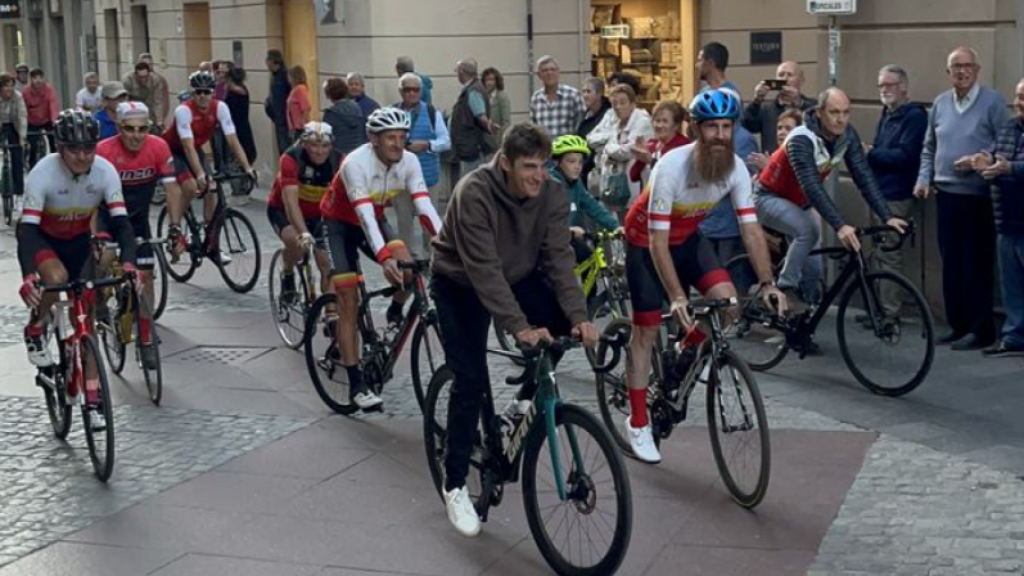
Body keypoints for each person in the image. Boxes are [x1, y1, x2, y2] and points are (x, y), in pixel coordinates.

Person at [430, 123, 598, 537]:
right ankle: (454, 486)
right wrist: (519, 327)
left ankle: (523, 401)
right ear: (504, 162)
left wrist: (579, 316)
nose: (538, 176)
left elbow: (559, 259)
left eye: (543, 166)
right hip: (460, 282)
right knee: (469, 381)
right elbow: (484, 270)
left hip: (518, 273)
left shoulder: (552, 194)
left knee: (559, 326)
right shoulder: (474, 192)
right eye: (528, 167)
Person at [621, 90, 786, 464]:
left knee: (728, 305)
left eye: (727, 127)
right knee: (646, 329)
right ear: (696, 129)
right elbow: (657, 243)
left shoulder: (736, 169)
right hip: (646, 242)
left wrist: (767, 282)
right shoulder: (671, 167)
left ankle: (686, 345)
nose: (720, 135)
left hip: (689, 238)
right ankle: (638, 420)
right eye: (712, 126)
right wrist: (678, 296)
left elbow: (751, 230)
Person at [319, 107, 442, 411]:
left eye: (402, 137)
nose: (398, 144)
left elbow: (424, 206)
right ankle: (356, 384)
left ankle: (395, 310)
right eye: (390, 138)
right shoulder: (354, 164)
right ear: (373, 139)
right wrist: (383, 257)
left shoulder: (409, 162)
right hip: (338, 225)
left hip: (373, 217)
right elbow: (362, 214)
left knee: (410, 269)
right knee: (348, 298)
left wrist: (446, 243)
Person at [757, 88, 908, 312]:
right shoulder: (801, 139)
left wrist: (887, 216)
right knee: (808, 231)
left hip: (800, 201)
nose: (841, 119)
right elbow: (811, 186)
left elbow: (863, 176)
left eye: (846, 112)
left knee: (814, 267)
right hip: (769, 196)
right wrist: (840, 226)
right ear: (819, 112)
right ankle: (784, 288)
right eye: (834, 112)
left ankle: (802, 322)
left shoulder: (847, 134)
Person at [17, 110, 139, 374]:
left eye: (88, 148)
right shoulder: (43, 173)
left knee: (85, 315)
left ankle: (93, 393)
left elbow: (121, 225)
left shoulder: (105, 171)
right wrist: (29, 276)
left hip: (78, 241)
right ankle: (35, 327)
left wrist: (130, 264)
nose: (82, 156)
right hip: (44, 239)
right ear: (60, 148)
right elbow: (26, 230)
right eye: (73, 149)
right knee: (57, 277)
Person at [913, 46, 1009, 351]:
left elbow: (1004, 142)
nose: (962, 71)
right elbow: (929, 147)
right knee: (951, 262)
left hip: (978, 196)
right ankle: (958, 324)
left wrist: (981, 158)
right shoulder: (940, 104)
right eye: (956, 66)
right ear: (948, 72)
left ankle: (981, 329)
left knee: (976, 263)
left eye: (967, 66)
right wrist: (923, 178)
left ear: (977, 70)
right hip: (946, 194)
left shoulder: (992, 102)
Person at [95, 102, 180, 369]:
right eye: (130, 129)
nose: (136, 135)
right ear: (119, 128)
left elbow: (172, 190)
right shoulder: (103, 151)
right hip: (107, 217)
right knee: (104, 258)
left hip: (138, 221)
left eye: (142, 129)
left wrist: (175, 228)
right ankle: (98, 299)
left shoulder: (158, 147)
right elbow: (89, 197)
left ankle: (145, 337)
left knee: (146, 277)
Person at [161, 70, 256, 263]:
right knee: (190, 187)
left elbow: (232, 139)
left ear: (214, 92)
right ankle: (175, 228)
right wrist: (199, 174)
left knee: (212, 188)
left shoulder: (220, 107)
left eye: (207, 91)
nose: (202, 96)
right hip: (173, 150)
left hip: (195, 149)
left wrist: (247, 168)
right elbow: (186, 146)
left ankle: (211, 241)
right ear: (193, 93)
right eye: (198, 92)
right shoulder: (184, 111)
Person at [866, 65, 928, 318]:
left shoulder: (914, 116)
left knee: (889, 253)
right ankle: (879, 308)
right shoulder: (887, 112)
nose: (884, 90)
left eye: (889, 85)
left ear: (903, 87)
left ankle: (890, 312)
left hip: (897, 194)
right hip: (879, 192)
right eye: (881, 85)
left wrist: (871, 153)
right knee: (877, 253)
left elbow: (907, 156)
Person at [972, 78, 1024, 357]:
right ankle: (1014, 336)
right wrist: (984, 161)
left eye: (1023, 98)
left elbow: (1010, 164)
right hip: (1006, 219)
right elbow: (997, 154)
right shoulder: (1009, 126)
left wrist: (1009, 168)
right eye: (1017, 97)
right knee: (1011, 286)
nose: (1018, 103)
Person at [267, 121, 340, 304]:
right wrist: (304, 233)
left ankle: (330, 313)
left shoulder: (338, 161)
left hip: (317, 214)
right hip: (282, 209)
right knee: (297, 245)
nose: (319, 151)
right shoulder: (291, 159)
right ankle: (288, 272)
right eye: (314, 145)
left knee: (327, 264)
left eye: (324, 146)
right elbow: (291, 204)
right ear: (304, 143)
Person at [395, 72, 450, 257]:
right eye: (407, 89)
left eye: (415, 90)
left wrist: (427, 145)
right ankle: (409, 263)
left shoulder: (432, 112)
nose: (411, 93)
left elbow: (446, 141)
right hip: (400, 179)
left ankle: (432, 258)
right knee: (404, 224)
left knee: (429, 222)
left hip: (428, 178)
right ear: (400, 91)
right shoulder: (393, 112)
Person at [548, 134, 619, 269]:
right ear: (557, 162)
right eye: (571, 161)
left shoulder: (576, 184)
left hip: (570, 239)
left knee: (589, 263)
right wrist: (567, 230)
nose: (577, 166)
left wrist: (616, 227)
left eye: (580, 162)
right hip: (550, 242)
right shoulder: (550, 185)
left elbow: (593, 207)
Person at [587, 84, 653, 217]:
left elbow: (627, 152)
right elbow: (590, 138)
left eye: (622, 102)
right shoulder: (615, 122)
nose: (618, 107)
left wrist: (606, 146)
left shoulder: (642, 122)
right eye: (614, 103)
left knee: (632, 222)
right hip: (612, 184)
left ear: (633, 103)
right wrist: (614, 145)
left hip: (633, 184)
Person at [742, 61, 815, 154]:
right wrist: (757, 101)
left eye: (790, 75)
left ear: (801, 80)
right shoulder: (767, 109)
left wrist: (799, 103)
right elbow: (748, 125)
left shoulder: (811, 105)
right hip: (773, 163)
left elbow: (817, 125)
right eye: (781, 75)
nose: (785, 79)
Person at [630, 100, 690, 185]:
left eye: (665, 121)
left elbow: (673, 177)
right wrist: (640, 158)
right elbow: (634, 176)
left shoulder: (683, 145)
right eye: (657, 120)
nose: (659, 125)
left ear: (676, 125)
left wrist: (650, 160)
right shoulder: (651, 144)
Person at [450, 58, 494, 176]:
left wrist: (490, 127)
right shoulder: (474, 88)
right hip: (471, 148)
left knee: (472, 184)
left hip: (473, 150)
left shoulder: (473, 91)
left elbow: (481, 117)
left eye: (457, 72)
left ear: (462, 72)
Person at [530, 55, 585, 139]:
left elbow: (581, 126)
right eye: (545, 70)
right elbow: (534, 129)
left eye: (553, 69)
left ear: (558, 72)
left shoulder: (573, 95)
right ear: (539, 75)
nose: (549, 73)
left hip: (568, 149)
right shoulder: (536, 98)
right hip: (544, 150)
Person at [577, 77, 612, 187]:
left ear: (599, 93)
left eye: (589, 91)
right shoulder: (584, 114)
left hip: (596, 170)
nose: (585, 95)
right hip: (582, 170)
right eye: (583, 91)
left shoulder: (607, 115)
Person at [0, 75, 27, 216]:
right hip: (1, 127)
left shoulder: (18, 97)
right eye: (6, 86)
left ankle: (19, 195)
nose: (9, 89)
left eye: (11, 85)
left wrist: (22, 137)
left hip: (14, 127)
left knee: (18, 159)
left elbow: (22, 117)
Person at [748, 108, 803, 172]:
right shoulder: (774, 156)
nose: (781, 132)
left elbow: (789, 180)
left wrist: (769, 167)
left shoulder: (801, 158)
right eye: (779, 128)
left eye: (788, 128)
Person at [23, 68, 59, 167]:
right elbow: (23, 109)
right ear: (31, 79)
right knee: (32, 146)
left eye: (40, 77)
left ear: (44, 79)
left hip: (47, 120)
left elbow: (53, 105)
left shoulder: (49, 90)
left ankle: (55, 164)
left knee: (54, 143)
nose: (38, 80)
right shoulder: (26, 92)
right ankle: (32, 167)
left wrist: (54, 121)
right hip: (32, 121)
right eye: (35, 78)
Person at [322, 77, 366, 154]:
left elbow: (324, 138)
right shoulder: (357, 107)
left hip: (339, 155)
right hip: (357, 153)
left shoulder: (331, 113)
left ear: (329, 94)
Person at [224, 66, 257, 168]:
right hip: (243, 125)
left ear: (230, 79)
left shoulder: (232, 93)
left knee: (237, 151)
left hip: (235, 127)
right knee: (248, 151)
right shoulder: (243, 90)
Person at [122, 61, 167, 131]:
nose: (143, 80)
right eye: (141, 77)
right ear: (135, 74)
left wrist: (159, 121)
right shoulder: (127, 80)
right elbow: (124, 101)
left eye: (146, 77)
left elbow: (157, 101)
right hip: (133, 107)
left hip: (149, 106)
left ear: (149, 74)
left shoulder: (155, 80)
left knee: (155, 129)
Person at [265, 50, 292, 155]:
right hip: (277, 118)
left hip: (284, 119)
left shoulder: (284, 75)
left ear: (272, 60)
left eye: (267, 59)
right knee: (281, 148)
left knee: (285, 148)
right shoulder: (274, 76)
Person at [138, 53, 170, 130]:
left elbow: (164, 102)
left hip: (154, 121)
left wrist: (160, 120)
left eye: (150, 64)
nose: (148, 66)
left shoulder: (159, 80)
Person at [482, 67, 510, 144]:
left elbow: (506, 122)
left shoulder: (502, 97)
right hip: (485, 140)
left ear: (497, 81)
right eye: (487, 80)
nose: (489, 83)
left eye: (491, 79)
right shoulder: (483, 96)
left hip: (497, 140)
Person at [287, 66, 312, 143]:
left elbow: (306, 107)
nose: (288, 79)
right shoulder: (296, 89)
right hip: (295, 127)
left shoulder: (299, 89)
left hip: (299, 128)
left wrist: (304, 125)